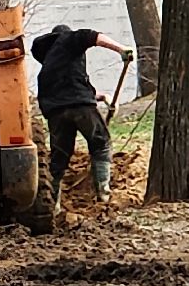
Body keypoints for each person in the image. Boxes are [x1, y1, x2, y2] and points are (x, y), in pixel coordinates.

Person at [30, 23, 134, 209]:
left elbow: (68, 87)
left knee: (58, 159)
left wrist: (100, 97)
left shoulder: (49, 59)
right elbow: (93, 35)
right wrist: (121, 49)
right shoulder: (67, 39)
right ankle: (103, 195)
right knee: (101, 142)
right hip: (80, 107)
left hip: (56, 113)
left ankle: (52, 205)